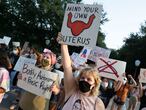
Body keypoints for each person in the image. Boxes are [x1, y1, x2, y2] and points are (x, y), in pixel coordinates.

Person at [57, 33, 105, 110]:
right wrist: (63, 44)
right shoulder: (72, 90)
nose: (84, 80)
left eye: (89, 79)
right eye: (82, 78)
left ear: (94, 84)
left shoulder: (97, 103)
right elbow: (67, 67)